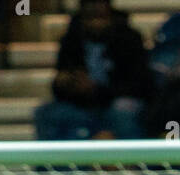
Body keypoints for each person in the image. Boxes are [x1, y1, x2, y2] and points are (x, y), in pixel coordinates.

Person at [34, 0, 151, 140]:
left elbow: (140, 85)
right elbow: (60, 83)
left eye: (100, 17)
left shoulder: (129, 38)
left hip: (117, 100)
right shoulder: (71, 39)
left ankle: (133, 159)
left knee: (122, 111)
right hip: (80, 102)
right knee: (46, 112)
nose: (96, 23)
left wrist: (97, 89)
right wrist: (65, 83)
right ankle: (55, 160)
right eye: (90, 17)